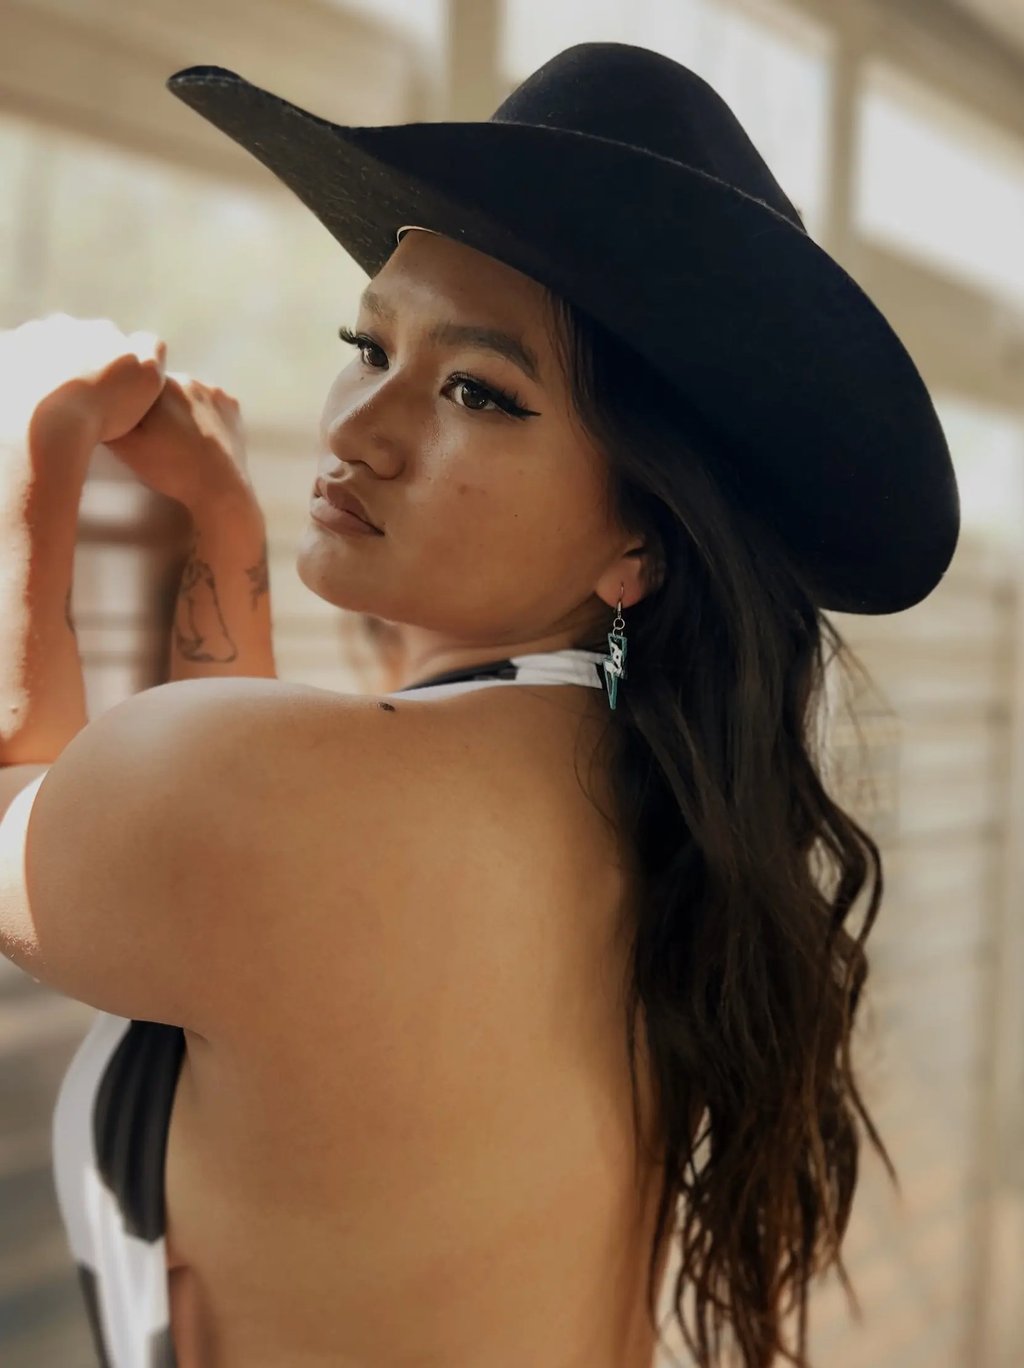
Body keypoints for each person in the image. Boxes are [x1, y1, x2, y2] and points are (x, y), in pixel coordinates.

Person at [0, 40, 959, 1368]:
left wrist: (25, 451)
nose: (359, 427)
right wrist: (219, 521)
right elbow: (252, 878)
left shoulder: (300, 808)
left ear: (642, 542)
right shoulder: (634, 809)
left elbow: (35, 816)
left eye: (477, 393)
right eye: (369, 343)